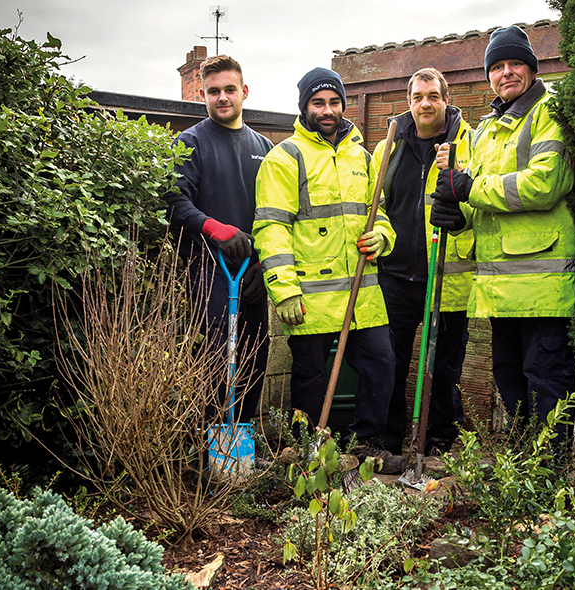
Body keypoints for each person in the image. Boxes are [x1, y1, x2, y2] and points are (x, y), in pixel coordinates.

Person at [432, 26, 575, 446]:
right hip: (499, 285)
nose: (506, 72)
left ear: (532, 69)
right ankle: (519, 466)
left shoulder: (549, 113)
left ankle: (549, 467)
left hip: (541, 281)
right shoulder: (487, 129)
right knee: (508, 378)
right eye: (497, 66)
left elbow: (545, 183)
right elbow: (479, 201)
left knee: (545, 377)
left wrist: (468, 188)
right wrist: (457, 216)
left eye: (515, 63)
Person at [253, 67, 401, 470]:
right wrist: (283, 289)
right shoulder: (285, 158)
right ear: (304, 107)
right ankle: (308, 450)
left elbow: (380, 214)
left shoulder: (363, 157)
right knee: (310, 378)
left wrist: (382, 238)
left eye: (334, 101)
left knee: (381, 365)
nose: (328, 109)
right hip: (310, 296)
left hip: (361, 293)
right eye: (318, 102)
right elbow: (270, 228)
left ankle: (367, 443)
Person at [165, 54, 272, 424]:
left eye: (229, 89)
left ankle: (243, 439)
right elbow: (175, 204)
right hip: (209, 272)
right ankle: (211, 443)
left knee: (255, 356)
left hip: (251, 272)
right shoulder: (190, 142)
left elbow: (274, 213)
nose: (222, 97)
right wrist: (215, 228)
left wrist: (263, 264)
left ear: (244, 91)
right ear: (202, 94)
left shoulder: (264, 147)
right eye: (213, 91)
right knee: (214, 358)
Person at [371, 68, 473, 456]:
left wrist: (463, 220)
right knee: (390, 362)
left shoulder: (469, 145)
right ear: (408, 101)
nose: (425, 104)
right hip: (396, 277)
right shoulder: (389, 149)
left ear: (446, 99)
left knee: (445, 366)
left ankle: (441, 441)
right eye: (417, 97)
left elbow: (480, 204)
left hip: (447, 275)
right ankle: (390, 441)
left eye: (433, 96)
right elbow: (375, 205)